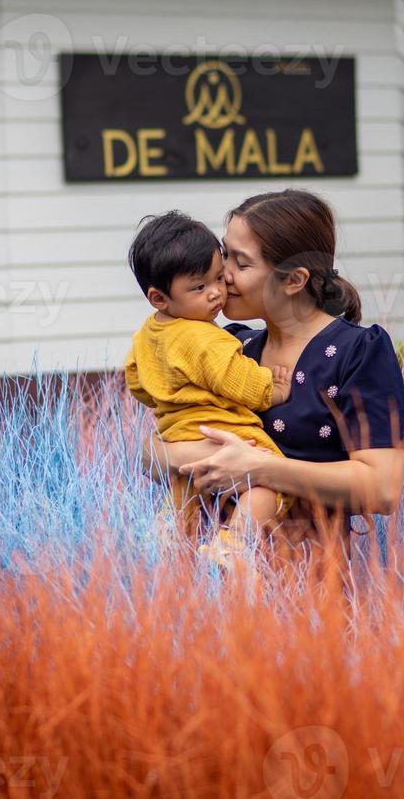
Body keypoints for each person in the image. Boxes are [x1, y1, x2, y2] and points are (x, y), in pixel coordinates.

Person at [152, 188, 404, 567]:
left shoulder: (357, 353)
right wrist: (207, 456)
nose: (222, 273)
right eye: (225, 254)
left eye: (242, 262)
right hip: (204, 583)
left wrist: (258, 468)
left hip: (309, 586)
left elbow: (383, 488)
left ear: (294, 280)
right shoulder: (231, 346)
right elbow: (152, 450)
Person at [123, 211, 297, 563]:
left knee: (185, 498)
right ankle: (233, 546)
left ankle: (171, 530)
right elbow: (239, 381)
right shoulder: (206, 338)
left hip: (177, 435)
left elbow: (136, 381)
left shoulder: (147, 334)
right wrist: (272, 389)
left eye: (219, 277)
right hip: (222, 434)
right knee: (267, 484)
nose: (217, 293)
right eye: (200, 287)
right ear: (159, 297)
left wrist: (170, 396)